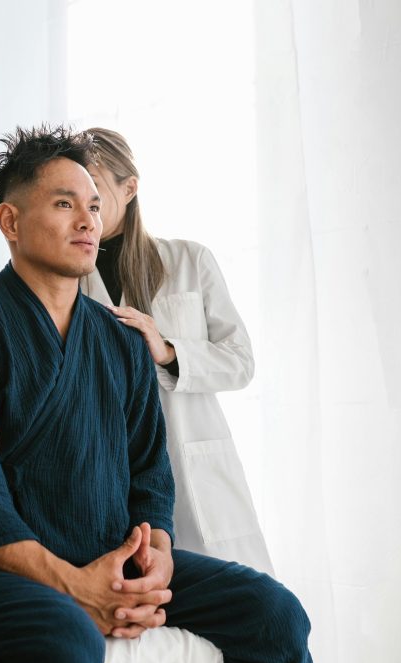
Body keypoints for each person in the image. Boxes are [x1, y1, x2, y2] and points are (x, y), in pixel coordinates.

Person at [0, 124, 313, 663]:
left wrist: (156, 558)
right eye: (65, 204)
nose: (89, 220)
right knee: (65, 639)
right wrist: (74, 586)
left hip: (102, 552)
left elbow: (150, 475)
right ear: (10, 222)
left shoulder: (120, 340)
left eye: (93, 205)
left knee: (275, 616)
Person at [81, 127, 273, 574]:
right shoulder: (67, 278)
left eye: (95, 189)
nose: (85, 206)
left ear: (129, 188)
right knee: (140, 592)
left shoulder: (190, 261)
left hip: (192, 463)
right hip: (111, 469)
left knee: (237, 593)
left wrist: (168, 351)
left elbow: (240, 361)